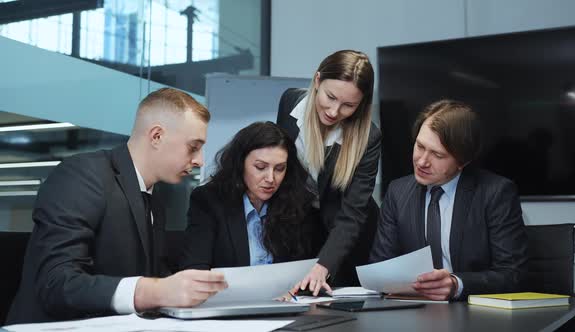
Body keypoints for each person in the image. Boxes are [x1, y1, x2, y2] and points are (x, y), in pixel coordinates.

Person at [7, 88, 228, 324]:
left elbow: (152, 277)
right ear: (156, 136)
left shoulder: (154, 201)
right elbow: (56, 283)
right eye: (193, 147)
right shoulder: (82, 176)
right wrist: (154, 291)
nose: (200, 160)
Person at [370, 99, 527, 301]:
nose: (422, 161)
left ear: (463, 161)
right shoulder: (397, 192)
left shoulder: (495, 193)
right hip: (413, 312)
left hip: (474, 316)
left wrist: (456, 284)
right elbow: (381, 266)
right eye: (420, 146)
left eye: (437, 154)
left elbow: (513, 274)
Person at [277, 50, 381, 294]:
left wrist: (324, 265)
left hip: (349, 239)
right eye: (330, 97)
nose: (334, 111)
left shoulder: (368, 137)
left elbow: (353, 213)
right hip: (305, 229)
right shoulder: (290, 103)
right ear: (317, 81)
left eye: (348, 105)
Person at [179, 122, 321, 270]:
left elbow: (306, 267)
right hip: (228, 293)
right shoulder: (208, 200)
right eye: (260, 167)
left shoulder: (298, 203)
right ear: (240, 164)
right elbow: (194, 269)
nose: (271, 179)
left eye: (279, 169)